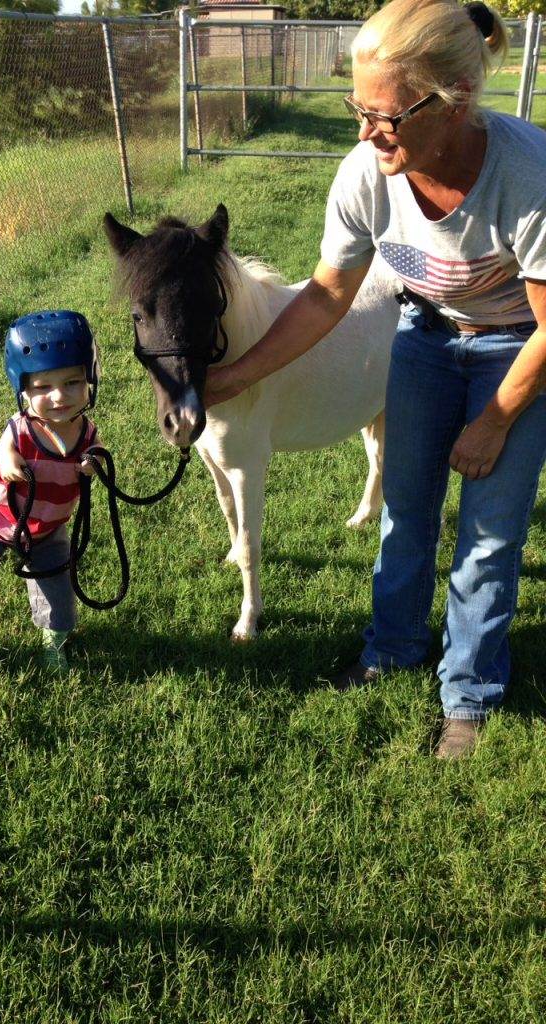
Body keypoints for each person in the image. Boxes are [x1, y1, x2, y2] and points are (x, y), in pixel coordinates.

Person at [205, 0, 546, 758]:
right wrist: (235, 377)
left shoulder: (528, 175)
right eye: (359, 109)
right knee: (407, 510)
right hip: (424, 336)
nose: (367, 133)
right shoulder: (368, 171)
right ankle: (393, 648)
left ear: (455, 94)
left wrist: (493, 421)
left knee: (489, 536)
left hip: (519, 350)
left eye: (387, 115)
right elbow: (327, 294)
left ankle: (470, 691)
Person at [0, 310, 100, 680]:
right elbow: (4, 448)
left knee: (61, 602)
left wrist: (93, 465)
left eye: (72, 382)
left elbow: (97, 454)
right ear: (22, 389)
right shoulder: (20, 428)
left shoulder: (87, 433)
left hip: (44, 532)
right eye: (43, 387)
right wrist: (10, 459)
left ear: (90, 379)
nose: (59, 396)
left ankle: (54, 643)